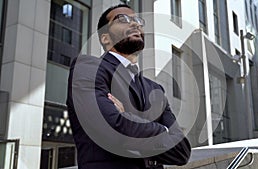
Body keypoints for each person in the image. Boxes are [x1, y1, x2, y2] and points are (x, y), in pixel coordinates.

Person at [67, 4, 191, 169]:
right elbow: (112, 127)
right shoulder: (88, 68)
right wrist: (165, 131)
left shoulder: (156, 90)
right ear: (105, 38)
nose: (134, 24)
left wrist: (126, 116)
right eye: (123, 19)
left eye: (137, 21)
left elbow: (182, 152)